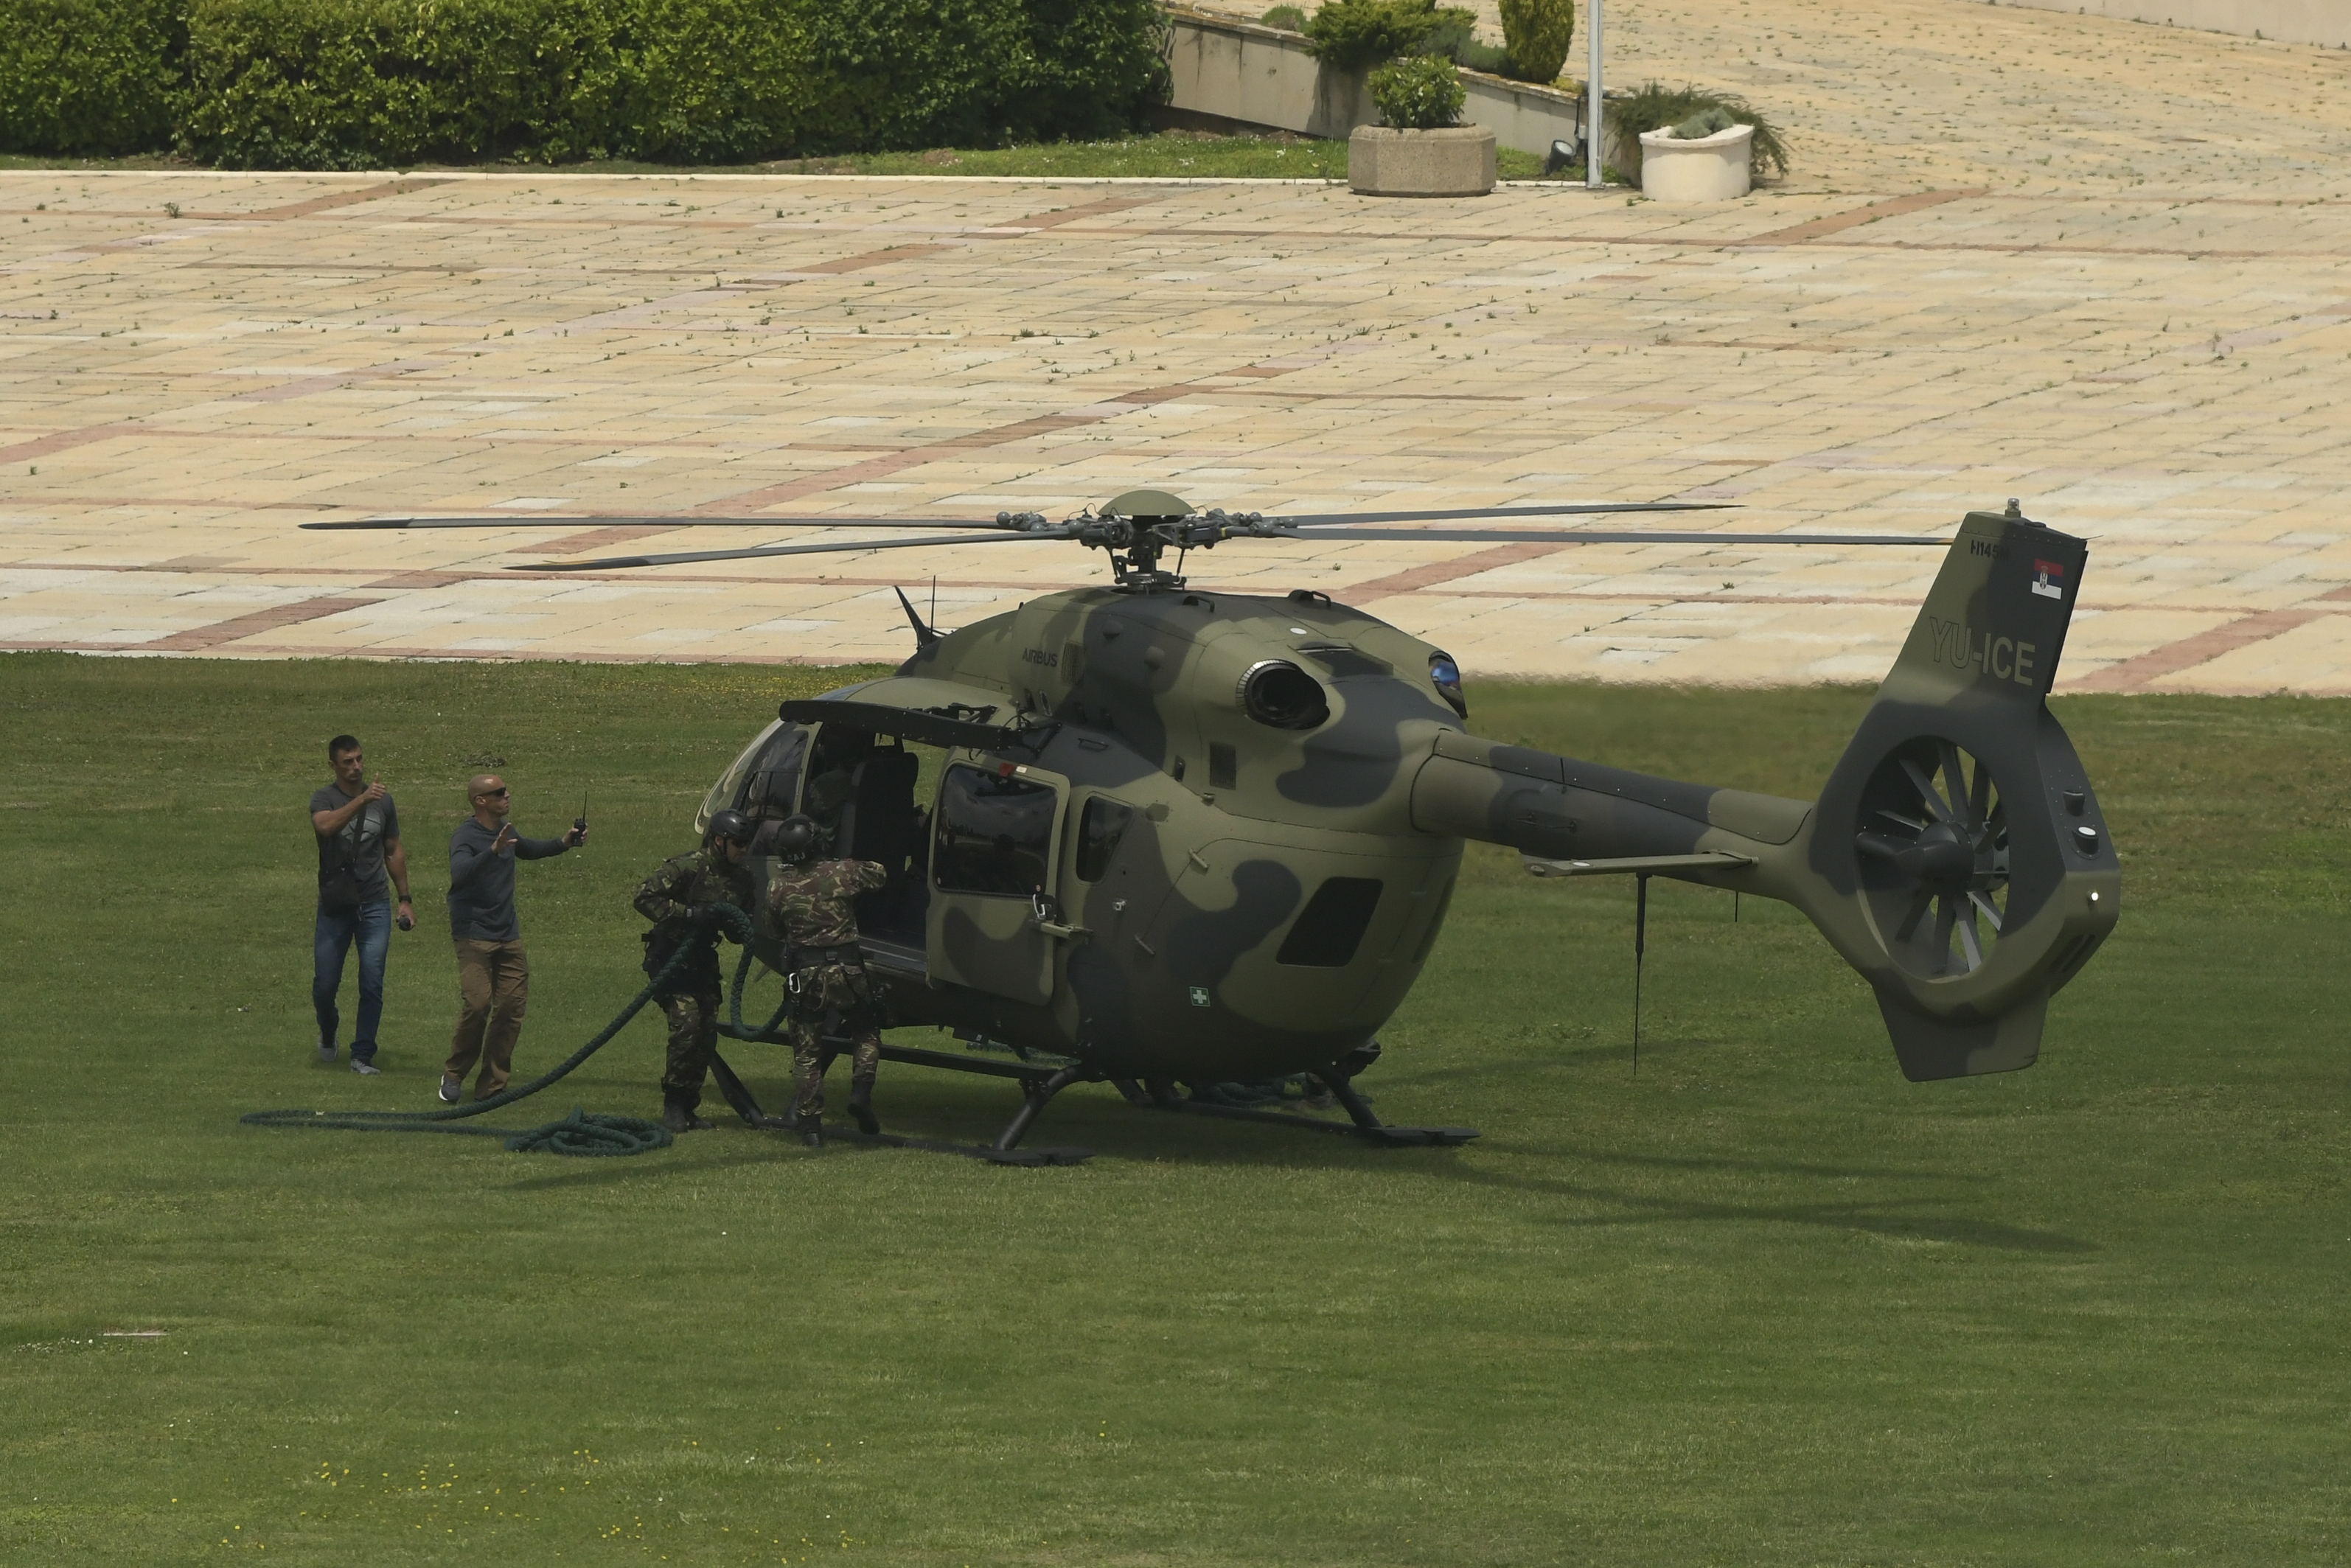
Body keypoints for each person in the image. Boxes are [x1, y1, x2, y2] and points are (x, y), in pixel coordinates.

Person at [440, 773, 584, 1104]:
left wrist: (564, 842)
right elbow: (459, 873)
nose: (507, 796)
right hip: (474, 935)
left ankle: (492, 1087)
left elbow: (529, 849)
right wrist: (492, 850)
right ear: (480, 801)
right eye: (499, 793)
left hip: (507, 934)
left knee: (510, 1009)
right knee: (477, 1005)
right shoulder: (466, 835)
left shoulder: (507, 831)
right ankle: (454, 1073)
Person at [764, 813, 889, 1146]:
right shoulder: (842, 873)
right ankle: (861, 1092)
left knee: (807, 1052)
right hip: (847, 973)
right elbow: (880, 874)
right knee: (866, 1033)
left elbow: (775, 930)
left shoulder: (778, 885)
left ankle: (811, 1127)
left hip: (805, 977)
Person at [631, 809, 757, 1135]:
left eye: (747, 843)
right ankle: (673, 1103)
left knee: (706, 1032)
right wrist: (687, 914)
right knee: (686, 1027)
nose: (744, 850)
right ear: (719, 840)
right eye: (739, 843)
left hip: (703, 961)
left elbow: (737, 924)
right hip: (671, 958)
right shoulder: (687, 867)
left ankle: (690, 1104)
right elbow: (644, 897)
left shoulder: (743, 879)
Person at [310, 734, 414, 1076]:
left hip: (374, 903)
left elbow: (393, 849)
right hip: (336, 904)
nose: (356, 767)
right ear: (333, 765)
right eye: (347, 762)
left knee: (372, 981)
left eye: (359, 760)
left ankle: (362, 1055)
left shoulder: (385, 802)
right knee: (325, 984)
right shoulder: (324, 798)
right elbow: (326, 826)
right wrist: (362, 800)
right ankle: (328, 1030)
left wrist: (405, 900)